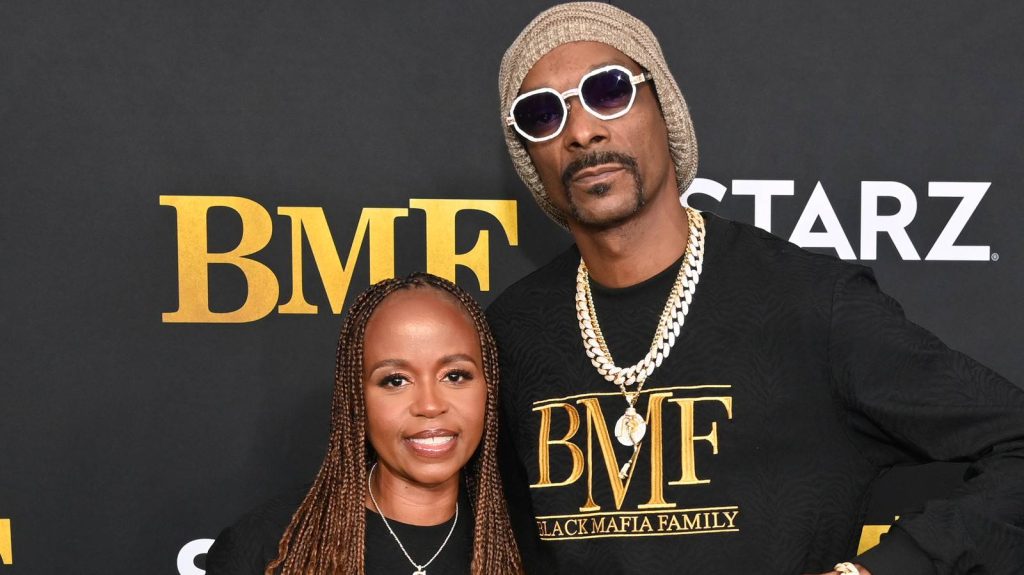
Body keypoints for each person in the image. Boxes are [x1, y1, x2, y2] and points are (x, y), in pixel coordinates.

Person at [486, 3, 1024, 575]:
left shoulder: (810, 304)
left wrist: (885, 568)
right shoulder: (510, 333)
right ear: (530, 157)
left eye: (609, 91)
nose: (581, 131)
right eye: (541, 114)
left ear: (665, 109)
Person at [206, 273, 523, 574]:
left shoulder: (526, 544)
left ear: (489, 386)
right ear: (356, 399)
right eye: (395, 380)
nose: (430, 405)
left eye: (455, 376)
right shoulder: (266, 547)